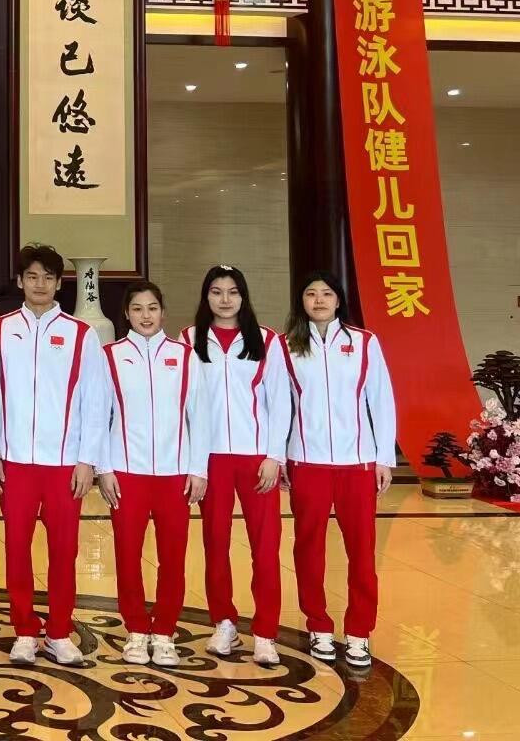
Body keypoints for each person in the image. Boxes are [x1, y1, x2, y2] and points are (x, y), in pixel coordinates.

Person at [0, 245, 105, 667]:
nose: (39, 284)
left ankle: (59, 631)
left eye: (48, 277)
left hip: (64, 464)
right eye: (32, 276)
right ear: (20, 281)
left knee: (64, 551)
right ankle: (24, 629)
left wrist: (87, 460)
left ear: (59, 283)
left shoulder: (81, 334)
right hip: (15, 462)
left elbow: (95, 401)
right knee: (16, 550)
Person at [281, 270, 397, 669]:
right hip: (307, 461)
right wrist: (279, 455)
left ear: (338, 300)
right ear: (301, 301)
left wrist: (383, 457)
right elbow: (279, 405)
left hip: (357, 463)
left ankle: (360, 631)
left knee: (361, 550)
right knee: (308, 547)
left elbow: (381, 400)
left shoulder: (364, 343)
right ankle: (318, 624)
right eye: (310, 293)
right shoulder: (287, 346)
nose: (318, 300)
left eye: (326, 293)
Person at [95, 281, 209, 668]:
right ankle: (136, 630)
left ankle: (164, 632)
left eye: (153, 308)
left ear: (163, 312)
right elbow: (98, 415)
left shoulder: (184, 355)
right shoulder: (110, 356)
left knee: (173, 558)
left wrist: (198, 469)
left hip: (175, 475)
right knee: (127, 556)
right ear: (126, 314)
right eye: (138, 309)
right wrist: (104, 468)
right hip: (126, 473)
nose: (146, 315)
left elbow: (200, 415)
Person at [181, 265, 291, 667]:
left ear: (243, 297)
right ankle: (223, 621)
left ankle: (265, 632)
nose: (225, 300)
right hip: (210, 460)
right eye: (216, 291)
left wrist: (274, 456)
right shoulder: (189, 340)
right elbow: (186, 404)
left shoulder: (267, 340)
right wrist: (194, 463)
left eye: (232, 292)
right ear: (205, 296)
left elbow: (280, 401)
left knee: (266, 547)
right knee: (216, 544)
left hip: (256, 459)